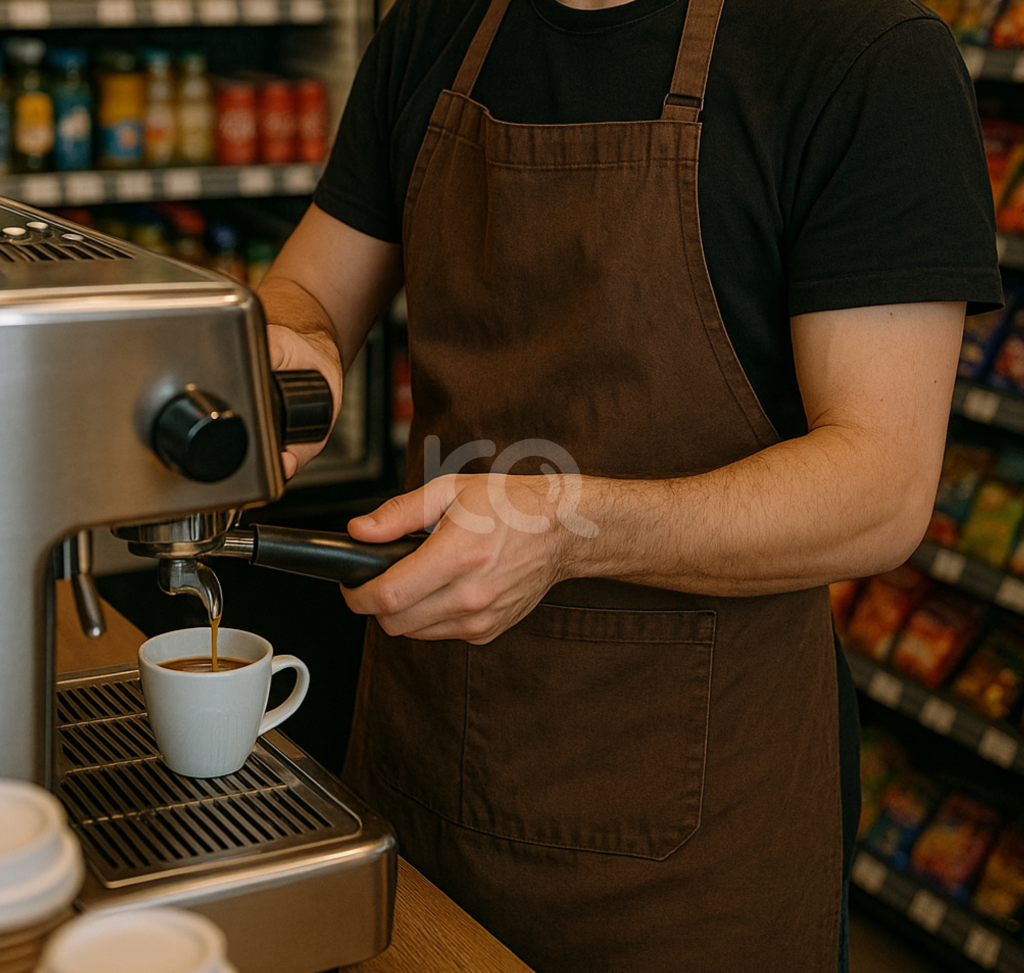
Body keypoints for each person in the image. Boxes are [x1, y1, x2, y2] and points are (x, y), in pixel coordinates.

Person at [257, 0, 1002, 967]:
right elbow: (311, 289)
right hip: (423, 760)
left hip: (693, 845)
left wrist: (567, 528)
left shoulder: (864, 49)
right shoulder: (435, 25)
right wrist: (291, 357)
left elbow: (881, 485)